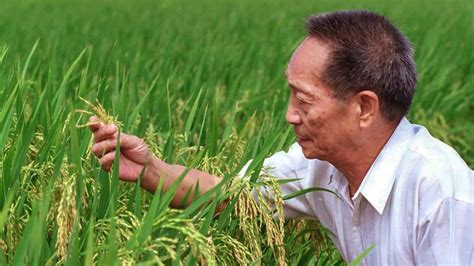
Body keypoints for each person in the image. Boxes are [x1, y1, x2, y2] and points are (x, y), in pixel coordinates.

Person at [88, 10, 474, 265]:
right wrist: (150, 169)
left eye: (304, 100)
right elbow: (233, 197)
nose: (290, 115)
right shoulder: (320, 168)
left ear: (364, 108)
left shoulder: (442, 194)